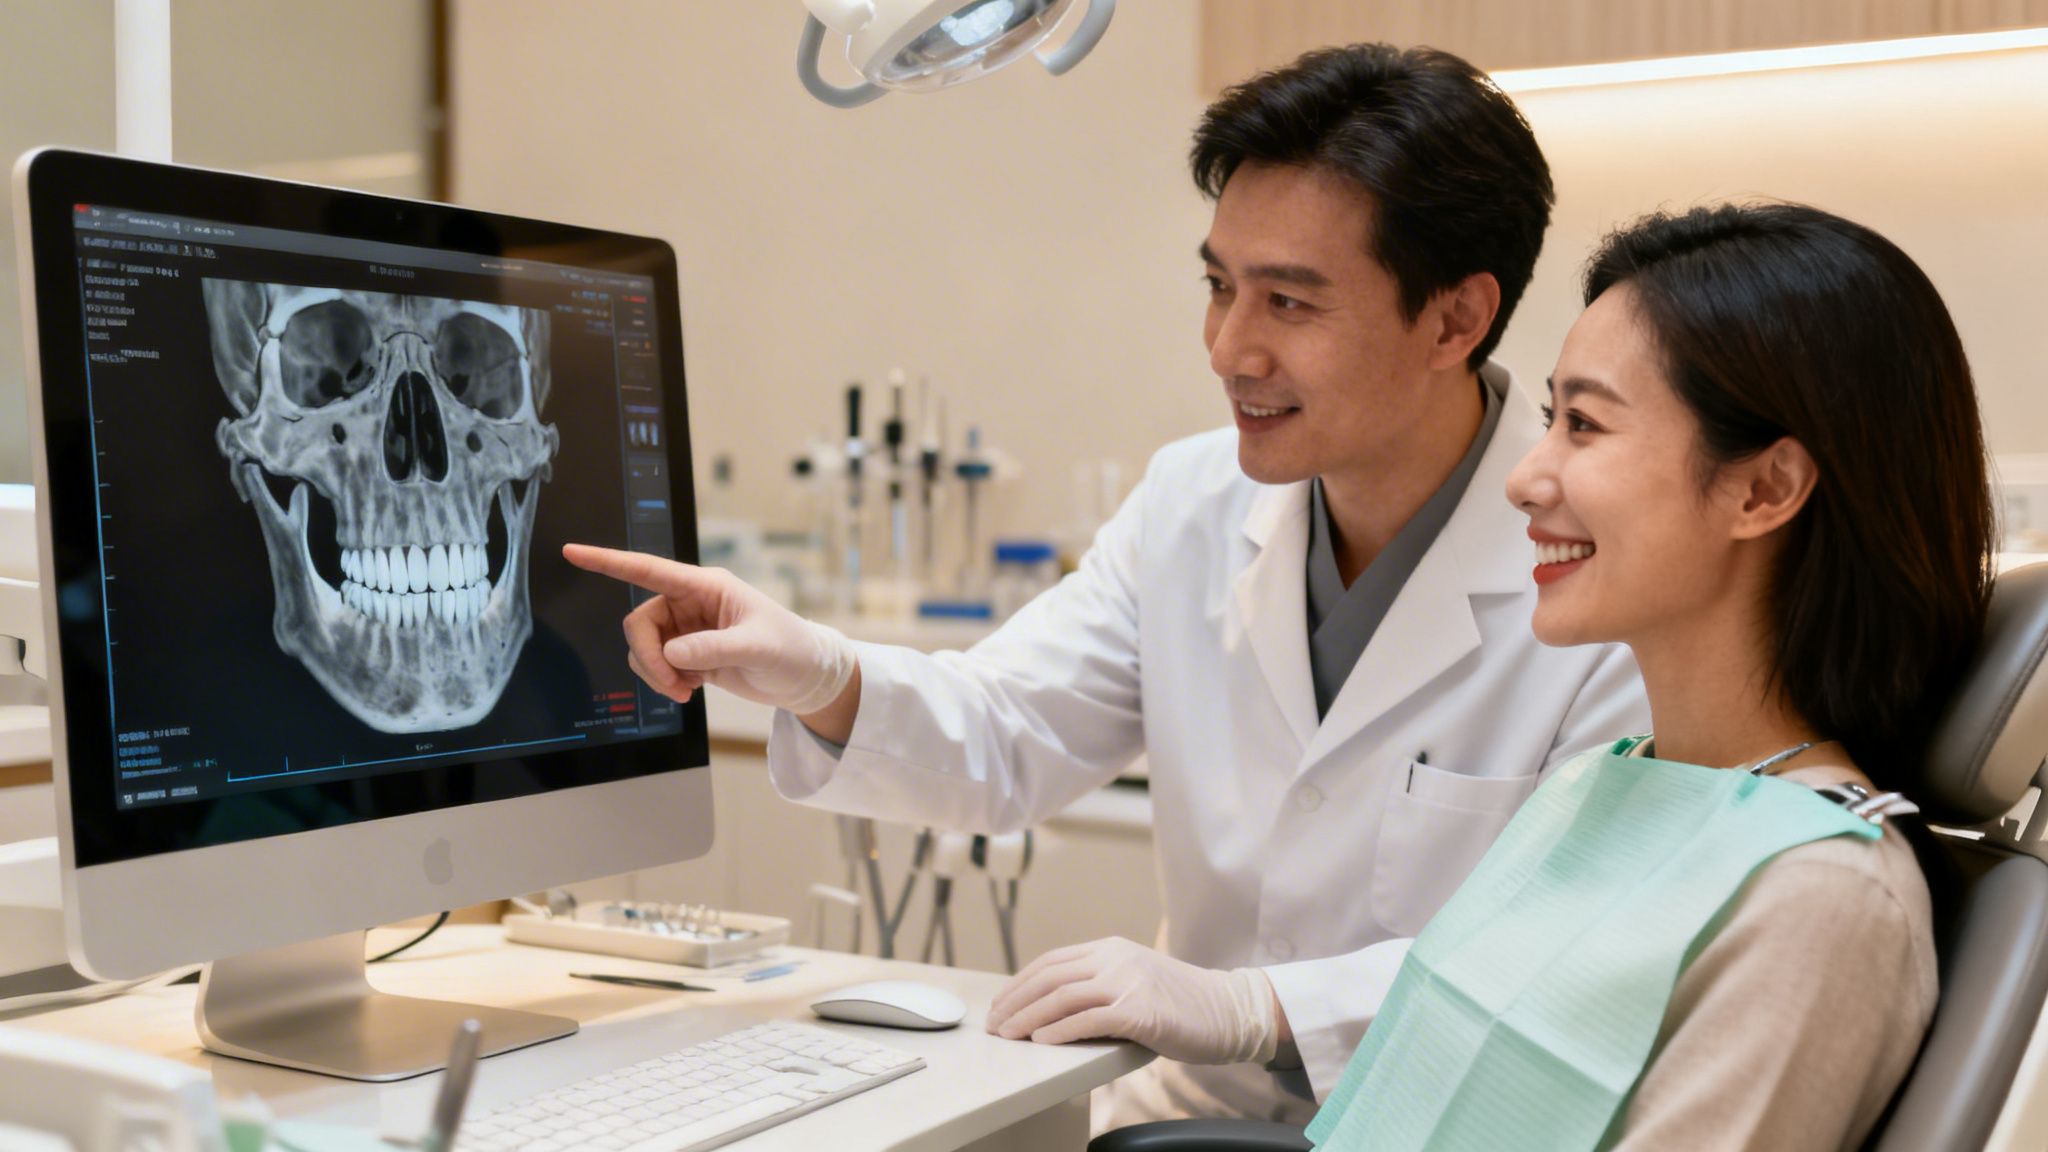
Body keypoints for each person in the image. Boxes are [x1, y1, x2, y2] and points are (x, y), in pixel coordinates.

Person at [565, 44, 1647, 1129]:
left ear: (1454, 320)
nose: (1229, 348)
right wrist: (818, 673)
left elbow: (1572, 956)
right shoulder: (1192, 500)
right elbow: (1008, 731)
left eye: (1288, 303)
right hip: (1181, 1114)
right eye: (1219, 287)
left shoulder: (1603, 566)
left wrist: (1252, 1003)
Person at [1303, 201, 1992, 1151]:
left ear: (1764, 490)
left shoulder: (1820, 897)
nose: (1525, 477)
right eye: (1551, 419)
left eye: (1583, 424)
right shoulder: (1613, 778)